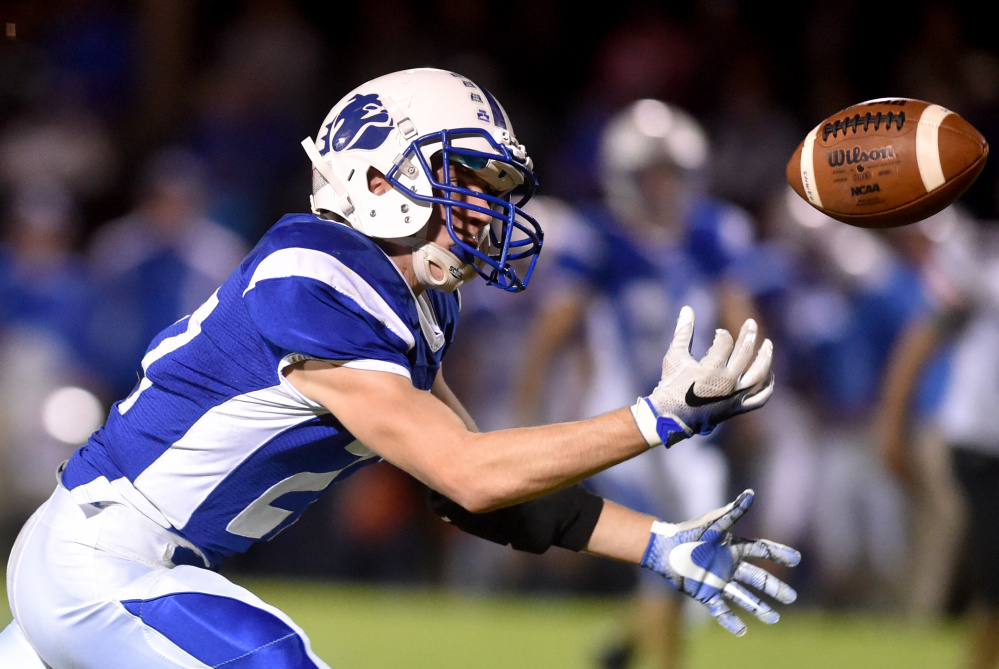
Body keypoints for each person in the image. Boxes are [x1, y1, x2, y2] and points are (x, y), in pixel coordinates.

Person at [0, 67, 797, 669]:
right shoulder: (320, 277)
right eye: (465, 182)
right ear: (377, 178)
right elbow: (471, 472)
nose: (487, 212)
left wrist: (657, 543)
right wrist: (652, 420)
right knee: (275, 657)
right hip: (100, 563)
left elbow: (472, 488)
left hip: (115, 567)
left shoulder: (407, 300)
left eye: (490, 191)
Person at [513, 99, 764, 669]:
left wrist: (750, 394)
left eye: (671, 172)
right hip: (626, 416)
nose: (661, 186)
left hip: (692, 421)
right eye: (650, 173)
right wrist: (529, 402)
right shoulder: (598, 236)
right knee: (683, 538)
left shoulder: (712, 232)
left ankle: (624, 647)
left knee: (693, 541)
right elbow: (555, 328)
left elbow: (740, 312)